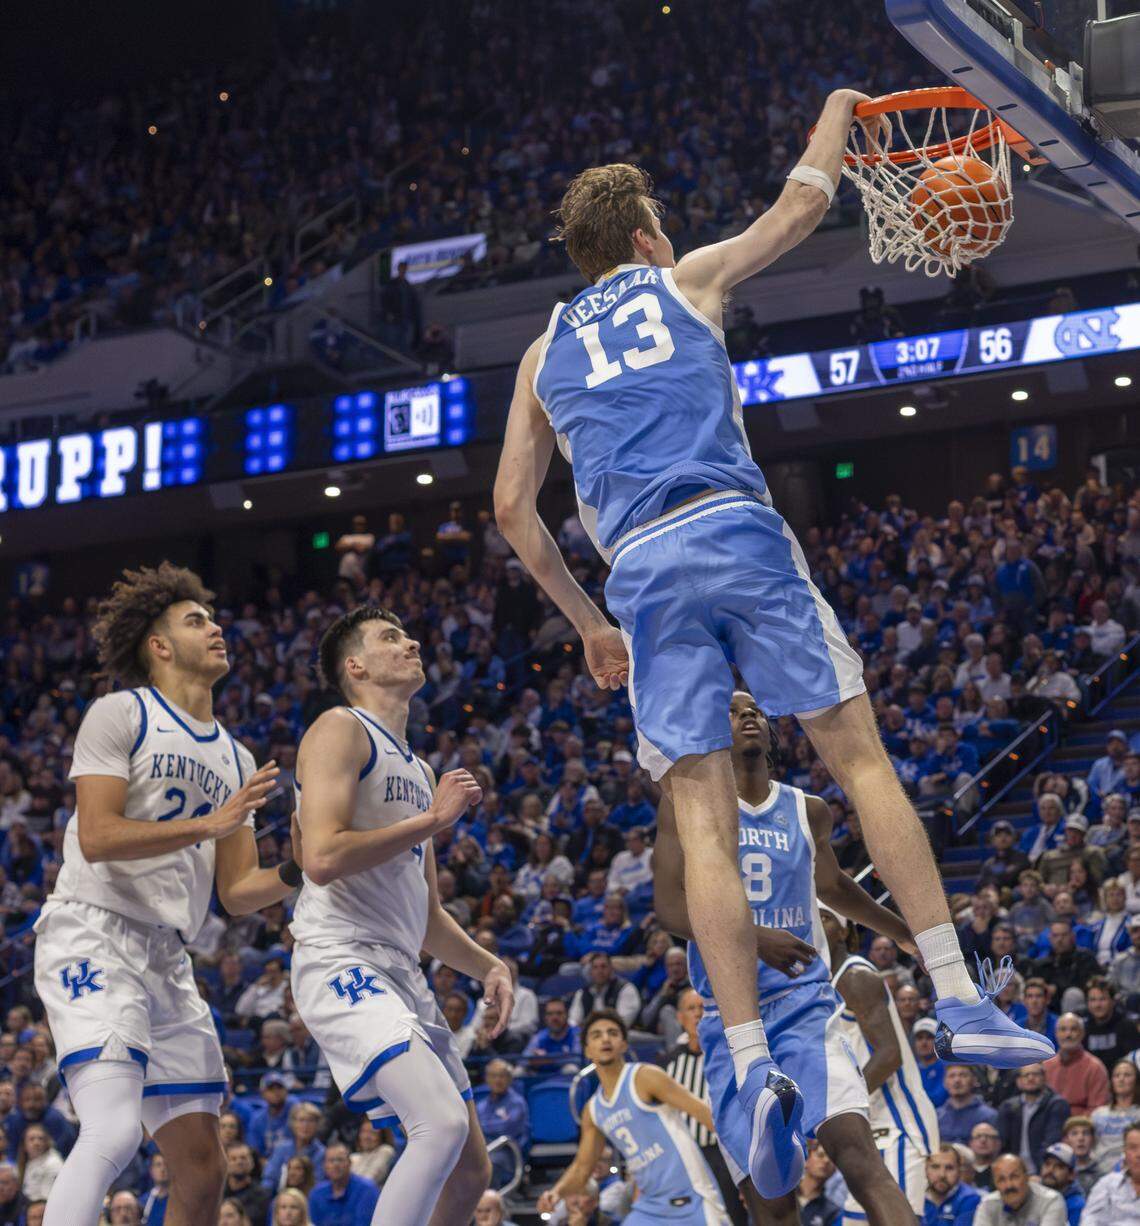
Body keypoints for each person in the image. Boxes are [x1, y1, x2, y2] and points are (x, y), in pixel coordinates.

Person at [493, 94, 1047, 1192]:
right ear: (645, 238)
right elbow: (802, 205)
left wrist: (591, 624)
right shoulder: (685, 275)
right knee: (857, 756)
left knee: (700, 818)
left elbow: (513, 509)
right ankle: (958, 988)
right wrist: (840, 111)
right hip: (734, 529)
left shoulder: (540, 352)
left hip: (641, 570)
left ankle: (745, 1071)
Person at [33, 564, 300, 1225]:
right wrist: (209, 824)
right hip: (91, 929)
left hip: (166, 955)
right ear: (158, 644)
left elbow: (237, 893)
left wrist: (305, 867)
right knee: (115, 1129)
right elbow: (96, 835)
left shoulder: (236, 758)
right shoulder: (121, 713)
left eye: (212, 619)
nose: (216, 628)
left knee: (204, 1169)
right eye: (196, 620)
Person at [654, 694, 925, 1221]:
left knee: (859, 1155)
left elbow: (834, 886)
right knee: (772, 1204)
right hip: (729, 1021)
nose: (747, 715)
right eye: (732, 711)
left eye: (755, 709)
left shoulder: (808, 809)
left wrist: (908, 933)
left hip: (805, 1008)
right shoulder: (683, 801)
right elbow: (669, 909)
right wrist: (755, 937)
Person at [291, 605, 515, 1224]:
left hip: (401, 969)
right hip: (339, 955)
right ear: (355, 665)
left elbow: (428, 918)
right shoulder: (340, 727)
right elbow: (322, 856)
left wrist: (490, 966)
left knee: (471, 1169)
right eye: (391, 637)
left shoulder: (419, 769)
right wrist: (435, 821)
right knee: (438, 1125)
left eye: (408, 633)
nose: (411, 641)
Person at [536, 1009, 731, 1224]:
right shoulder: (593, 1110)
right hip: (649, 1207)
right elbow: (582, 1168)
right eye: (596, 1035)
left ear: (624, 1044)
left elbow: (704, 1114)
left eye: (612, 1033)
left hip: (691, 1196)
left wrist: (744, 1168)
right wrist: (556, 1192)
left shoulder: (645, 1077)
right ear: (587, 1050)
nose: (605, 1039)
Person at [665, 989, 746, 1226]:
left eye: (703, 1008)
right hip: (686, 1158)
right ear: (680, 1017)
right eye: (691, 1008)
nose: (698, 1014)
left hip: (726, 1155)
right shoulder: (667, 1064)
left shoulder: (731, 1057)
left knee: (733, 1218)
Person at [995, 1063, 1069, 1172]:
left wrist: (1040, 1171)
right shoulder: (1008, 1107)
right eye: (1026, 1075)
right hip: (1013, 1169)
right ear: (1018, 1081)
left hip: (1044, 1169)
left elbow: (1052, 1142)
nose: (1031, 1078)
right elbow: (1002, 1143)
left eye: (1035, 1074)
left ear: (1044, 1078)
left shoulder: (1056, 1105)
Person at [1044, 1014, 1110, 1114]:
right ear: (1056, 1034)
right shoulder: (1046, 1066)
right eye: (1063, 1029)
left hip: (1080, 1126)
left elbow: (1097, 1110)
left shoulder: (1095, 1068)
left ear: (1082, 1033)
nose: (1068, 1034)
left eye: (1073, 1029)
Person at [974, 1154, 1065, 1224]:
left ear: (1027, 1177)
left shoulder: (1050, 1201)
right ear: (995, 1184)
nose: (1009, 1185)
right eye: (1001, 1180)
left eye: (1014, 1177)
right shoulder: (988, 1204)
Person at [308, 1143, 379, 1225]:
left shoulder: (367, 1190)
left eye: (340, 1160)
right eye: (331, 1160)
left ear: (350, 1163)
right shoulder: (316, 1194)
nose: (336, 1165)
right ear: (325, 1166)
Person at [1082, 1121, 1140, 1221]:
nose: (1139, 1154)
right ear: (1124, 1152)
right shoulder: (1106, 1184)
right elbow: (1089, 1221)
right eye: (1132, 1148)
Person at [1091, 1059, 1140, 1167]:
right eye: (1116, 1075)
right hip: (1098, 1171)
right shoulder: (1098, 1114)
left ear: (1136, 1081)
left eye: (1127, 1075)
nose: (1121, 1079)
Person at [923, 1143, 982, 1225]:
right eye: (935, 1167)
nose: (942, 1174)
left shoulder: (970, 1199)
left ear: (959, 1171)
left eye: (949, 1168)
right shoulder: (915, 1198)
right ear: (925, 1169)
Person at [938, 1067, 997, 1146]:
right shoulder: (937, 1116)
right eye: (952, 1076)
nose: (957, 1080)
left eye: (963, 1075)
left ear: (974, 1081)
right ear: (944, 1083)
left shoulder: (989, 1116)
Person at [1038, 1142, 1085, 1226]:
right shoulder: (1032, 1195)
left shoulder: (1077, 1207)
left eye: (1059, 1166)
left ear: (1071, 1175)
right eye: (1047, 1164)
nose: (1050, 1170)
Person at [969, 1123, 1001, 1191]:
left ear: (997, 1143)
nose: (983, 1140)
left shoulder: (1002, 1172)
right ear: (970, 1143)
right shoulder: (965, 1172)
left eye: (988, 1136)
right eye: (978, 1136)